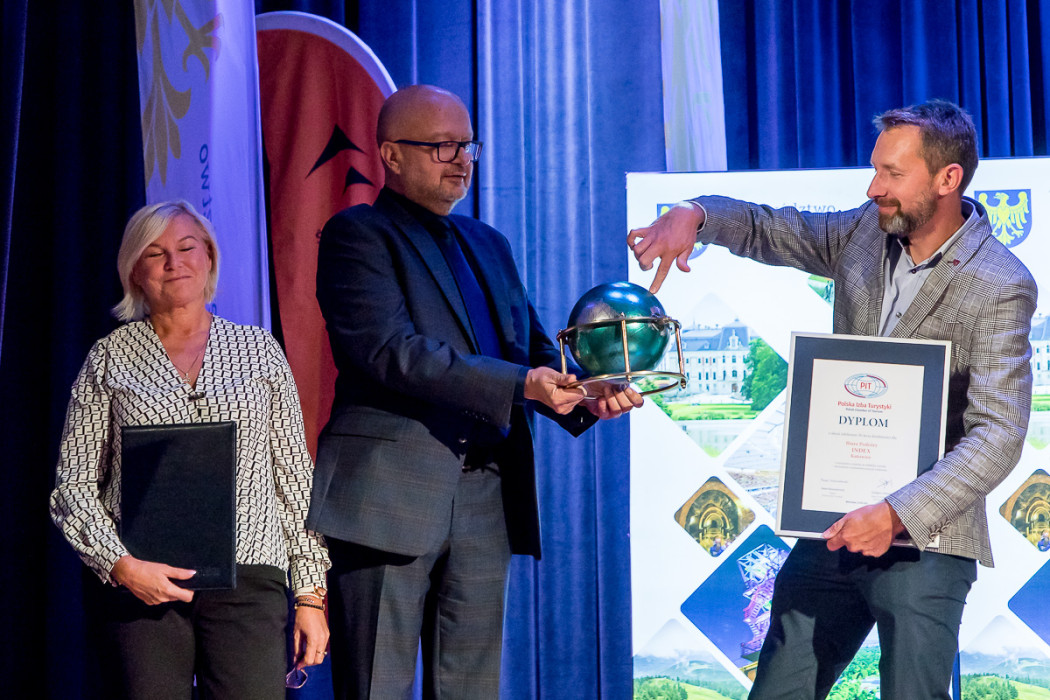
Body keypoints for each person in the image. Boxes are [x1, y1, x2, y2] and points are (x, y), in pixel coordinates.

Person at [628, 99, 1036, 699]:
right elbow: (770, 228)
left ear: (948, 178)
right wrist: (697, 214)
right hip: (833, 523)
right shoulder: (863, 233)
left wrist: (894, 513)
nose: (874, 189)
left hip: (927, 539)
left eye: (893, 174)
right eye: (875, 170)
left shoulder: (999, 282)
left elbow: (998, 433)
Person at [307, 84, 643, 699]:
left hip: (486, 493)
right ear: (391, 154)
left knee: (472, 688)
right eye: (442, 146)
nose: (462, 159)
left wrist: (588, 393)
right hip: (390, 496)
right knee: (377, 685)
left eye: (468, 145)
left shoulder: (488, 243)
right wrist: (523, 385)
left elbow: (531, 349)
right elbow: (392, 352)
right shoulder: (356, 235)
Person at [49, 200, 331, 699]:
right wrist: (120, 564)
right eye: (155, 253)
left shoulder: (259, 351)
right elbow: (72, 487)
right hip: (142, 582)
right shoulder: (109, 358)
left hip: (249, 575)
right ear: (134, 272)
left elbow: (293, 477)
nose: (173, 263)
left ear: (210, 258)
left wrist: (310, 595)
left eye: (186, 248)